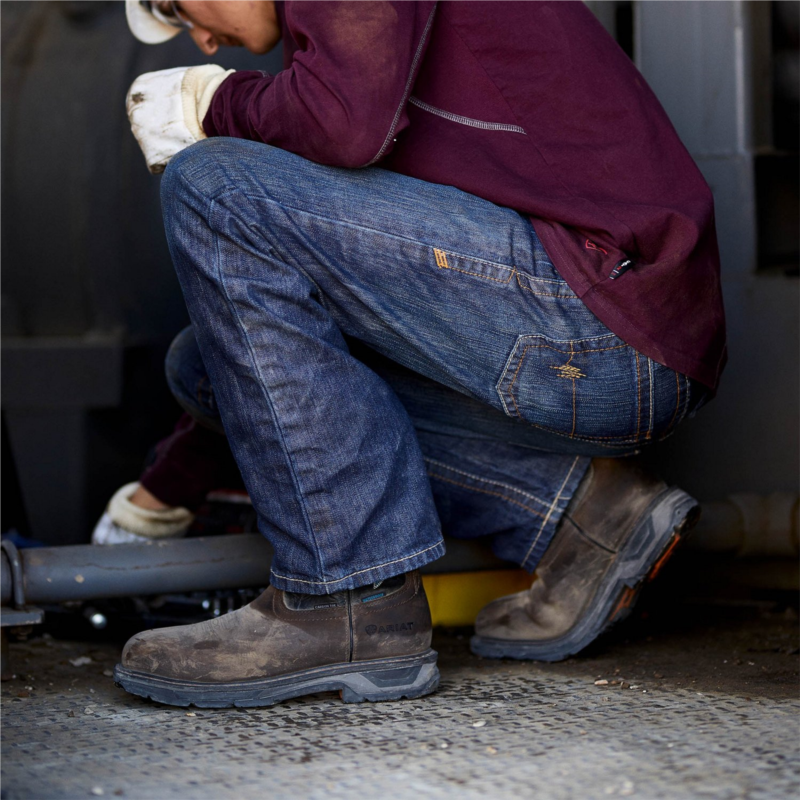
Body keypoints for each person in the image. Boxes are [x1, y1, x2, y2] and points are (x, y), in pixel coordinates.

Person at [112, 0, 726, 709]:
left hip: (599, 312)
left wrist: (214, 103)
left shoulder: (338, 55)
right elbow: (274, 355)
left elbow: (341, 122)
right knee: (202, 368)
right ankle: (581, 515)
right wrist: (164, 489)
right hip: (606, 330)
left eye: (174, 5)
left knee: (215, 186)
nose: (200, 38)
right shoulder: (339, 44)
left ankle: (347, 597)